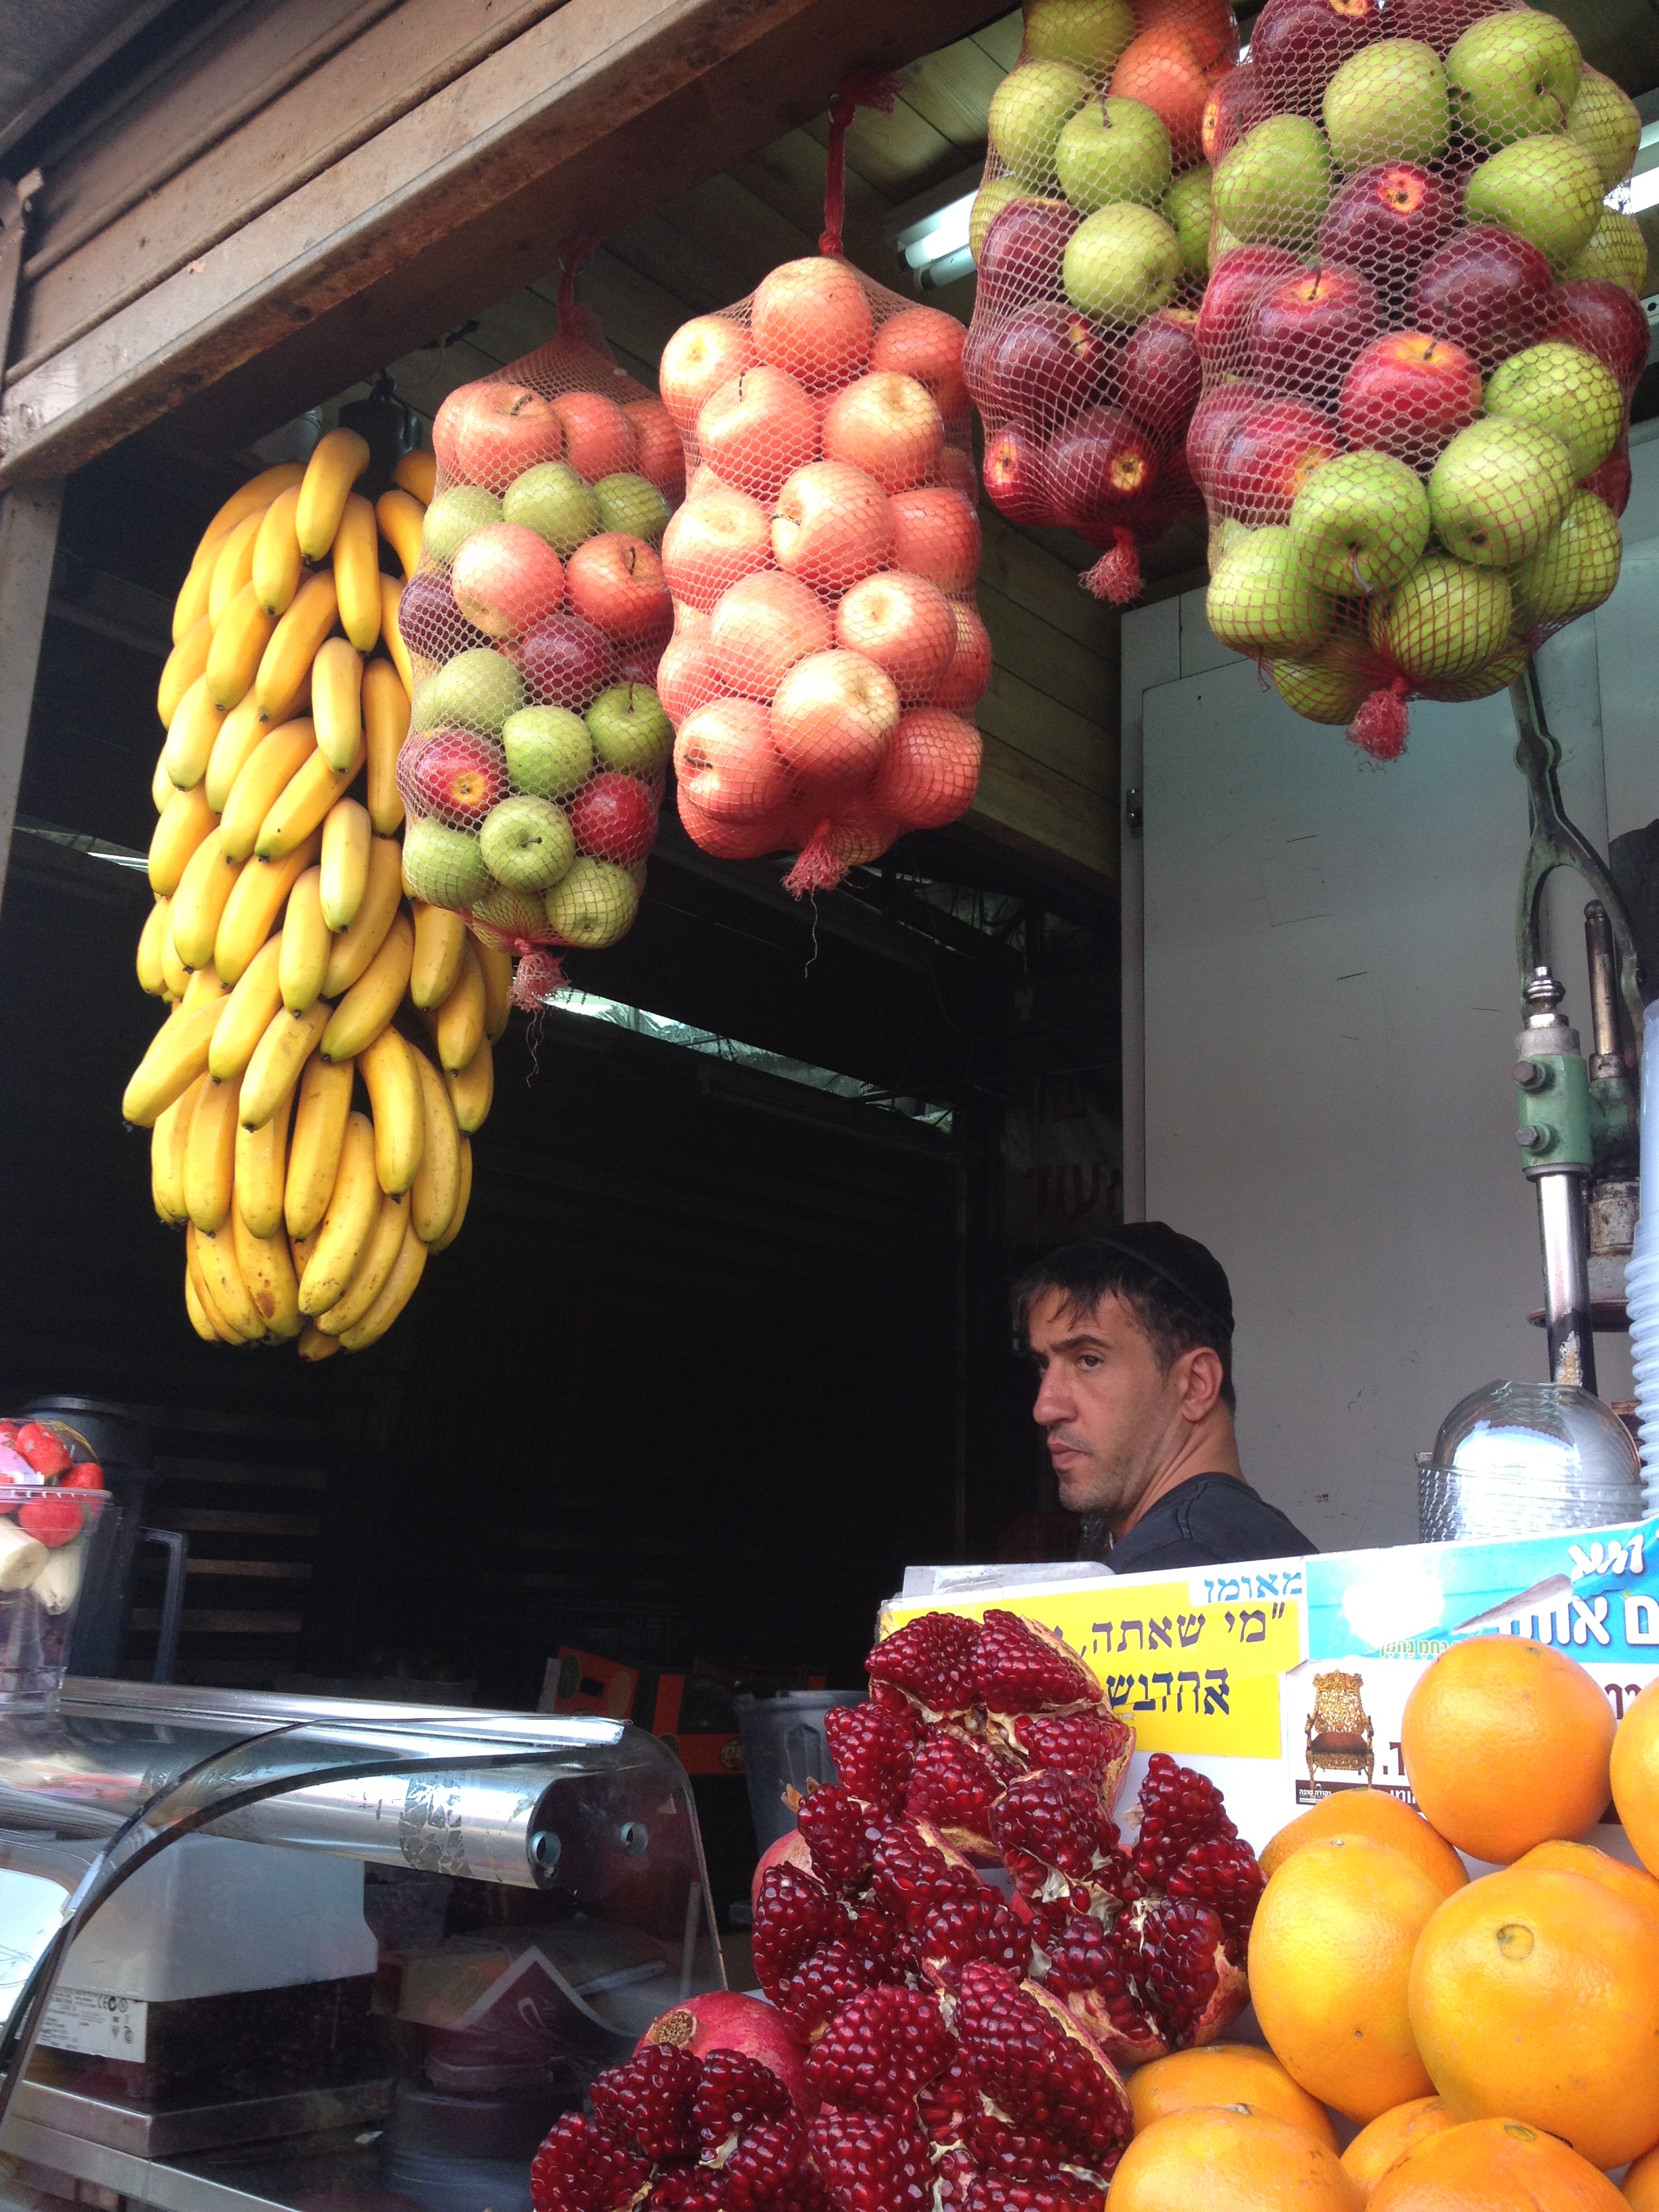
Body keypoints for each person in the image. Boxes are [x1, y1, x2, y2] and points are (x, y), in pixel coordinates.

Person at [1015, 1223, 1313, 1574]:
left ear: (1196, 1384)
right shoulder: (1246, 1538)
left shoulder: (1178, 1565)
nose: (1045, 1408)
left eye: (1089, 1360)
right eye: (1043, 1365)